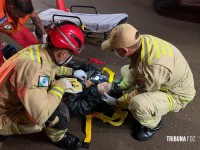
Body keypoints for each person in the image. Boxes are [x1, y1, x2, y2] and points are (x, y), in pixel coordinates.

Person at [0, 21, 87, 150]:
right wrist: (61, 85)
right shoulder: (36, 69)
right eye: (70, 54)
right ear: (62, 53)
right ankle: (59, 138)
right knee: (57, 114)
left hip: (8, 99)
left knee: (49, 95)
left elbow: (51, 67)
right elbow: (41, 115)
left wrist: (71, 72)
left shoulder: (40, 50)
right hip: (4, 113)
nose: (70, 57)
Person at [101, 24, 196, 141]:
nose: (112, 51)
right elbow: (136, 67)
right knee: (126, 69)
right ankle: (126, 89)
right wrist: (121, 87)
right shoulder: (142, 40)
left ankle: (153, 125)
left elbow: (140, 91)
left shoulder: (151, 68)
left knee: (137, 104)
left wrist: (117, 102)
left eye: (113, 50)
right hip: (168, 78)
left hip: (177, 94)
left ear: (124, 51)